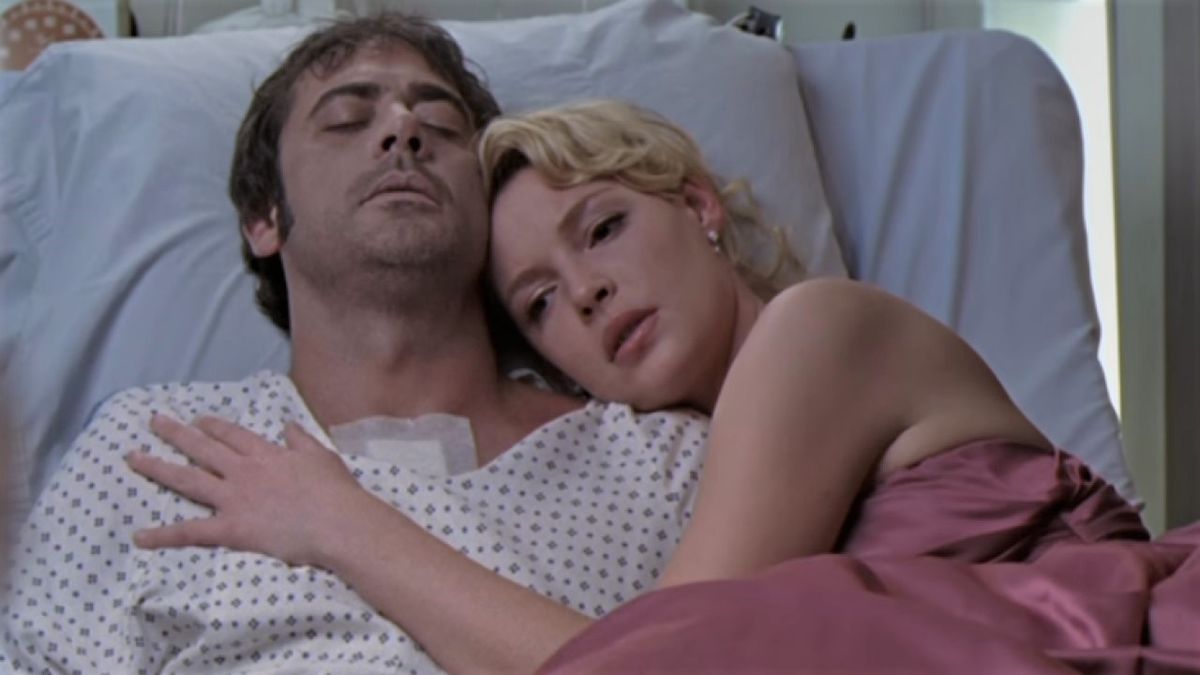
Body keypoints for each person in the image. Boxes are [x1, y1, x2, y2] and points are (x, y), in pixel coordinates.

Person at [123, 99, 1174, 673]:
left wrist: (340, 523)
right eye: (539, 302)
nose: (585, 293)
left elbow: (661, 662)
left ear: (700, 207)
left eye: (604, 228)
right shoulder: (678, 465)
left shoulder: (819, 328)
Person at [0, 17, 713, 674]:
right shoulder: (153, 454)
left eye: (441, 122)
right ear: (264, 218)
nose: (404, 129)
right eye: (346, 119)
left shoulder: (665, 463)